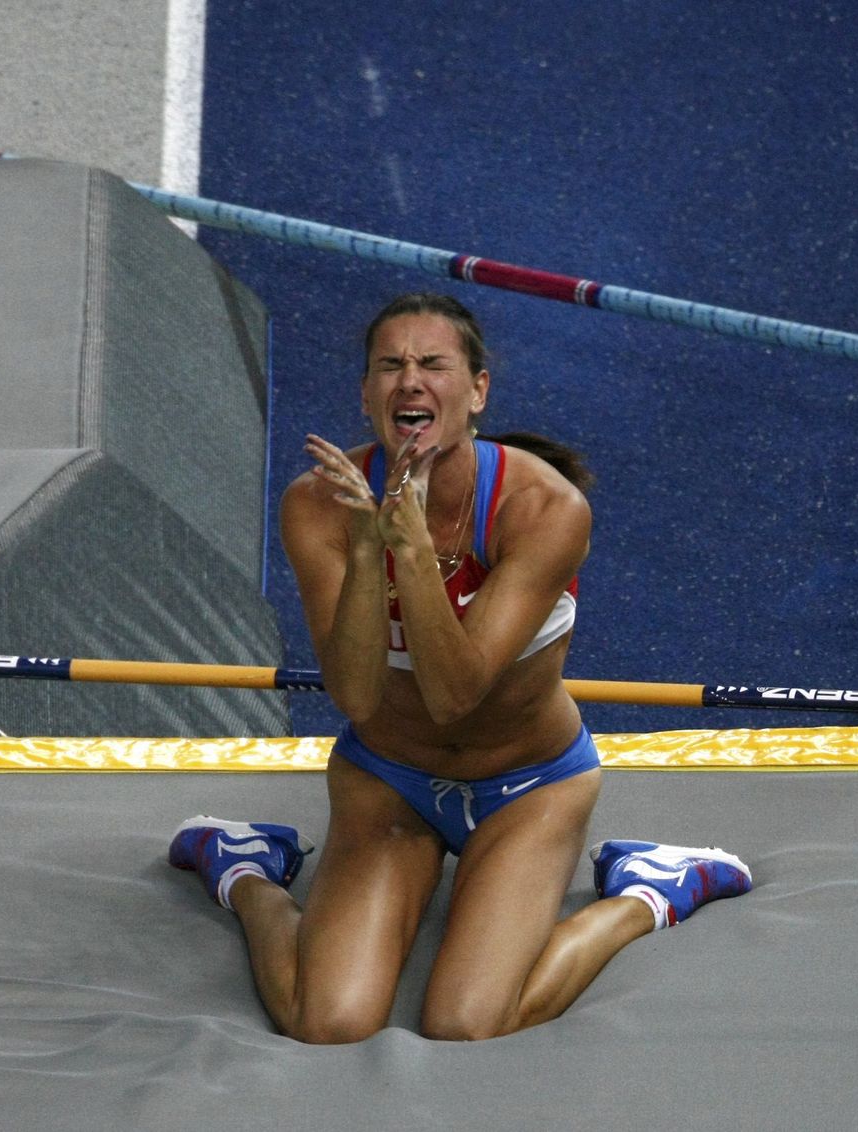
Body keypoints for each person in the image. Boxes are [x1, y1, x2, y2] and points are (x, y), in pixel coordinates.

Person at [169, 292, 751, 1043]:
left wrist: (410, 549)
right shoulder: (319, 504)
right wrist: (368, 549)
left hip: (530, 787)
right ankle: (245, 870)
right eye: (390, 365)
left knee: (468, 1023)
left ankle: (648, 893)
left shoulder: (544, 508)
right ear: (367, 395)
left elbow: (455, 694)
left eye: (432, 364)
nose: (410, 380)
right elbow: (355, 695)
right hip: (388, 780)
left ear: (476, 391)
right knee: (329, 1022)